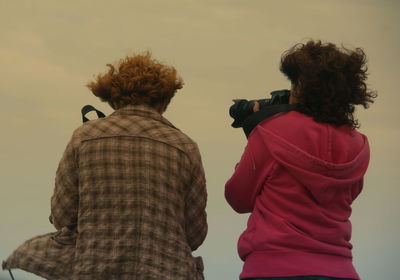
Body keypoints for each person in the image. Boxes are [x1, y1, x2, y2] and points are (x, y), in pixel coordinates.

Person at [3, 52, 208, 279]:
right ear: (163, 101)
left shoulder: (84, 137)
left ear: (114, 99)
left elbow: (62, 215)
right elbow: (195, 233)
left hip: (94, 270)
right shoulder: (185, 147)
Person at [225, 40, 376, 280]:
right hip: (340, 270)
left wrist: (255, 130)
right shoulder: (359, 145)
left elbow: (238, 198)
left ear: (303, 87)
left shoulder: (271, 131)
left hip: (273, 268)